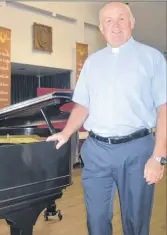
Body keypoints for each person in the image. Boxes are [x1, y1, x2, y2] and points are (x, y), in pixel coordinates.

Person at [46, 2, 166, 235]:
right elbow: (83, 105)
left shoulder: (152, 58)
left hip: (138, 151)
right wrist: (66, 131)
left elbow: (164, 109)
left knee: (136, 222)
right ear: (101, 28)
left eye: (121, 18)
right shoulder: (92, 62)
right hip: (97, 151)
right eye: (109, 21)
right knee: (97, 222)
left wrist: (159, 157)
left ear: (132, 22)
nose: (116, 25)